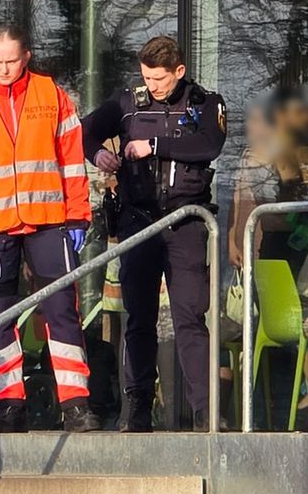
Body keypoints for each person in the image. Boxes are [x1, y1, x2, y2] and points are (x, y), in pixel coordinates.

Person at [0, 23, 100, 433]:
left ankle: (75, 403)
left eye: (12, 61)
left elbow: (71, 160)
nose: (5, 69)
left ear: (26, 56)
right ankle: (9, 404)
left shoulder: (52, 95)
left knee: (62, 310)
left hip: (48, 222)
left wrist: (78, 214)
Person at [81, 35, 226, 432]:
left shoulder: (205, 102)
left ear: (179, 72)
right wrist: (99, 154)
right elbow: (84, 131)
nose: (154, 87)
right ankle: (138, 409)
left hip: (185, 223)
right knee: (139, 319)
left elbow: (209, 145)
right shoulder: (128, 102)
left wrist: (154, 145)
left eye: (160, 79)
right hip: (138, 221)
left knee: (190, 318)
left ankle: (206, 412)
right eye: (147, 78)